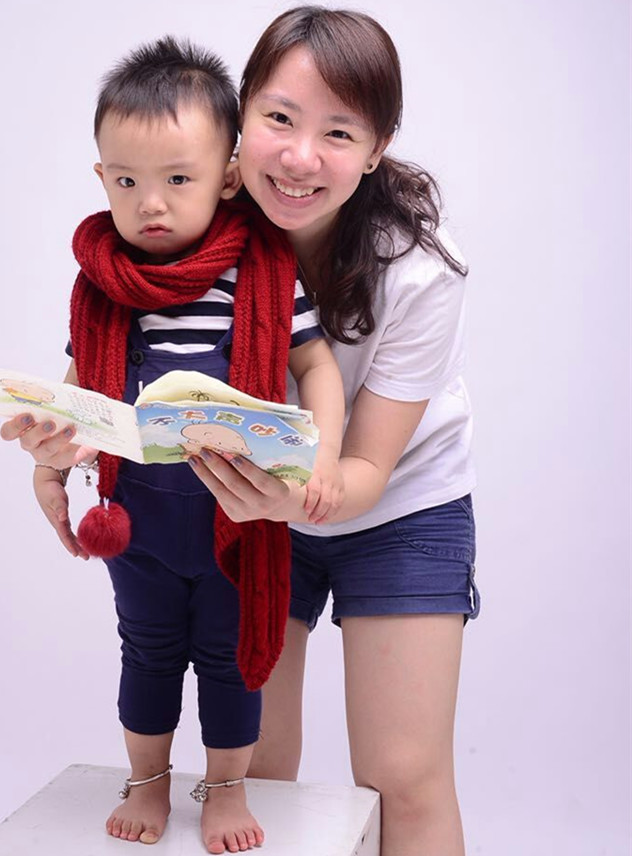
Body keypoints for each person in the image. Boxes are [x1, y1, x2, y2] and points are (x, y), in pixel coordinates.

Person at [0, 36, 345, 854]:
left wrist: (325, 457)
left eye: (177, 180)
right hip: (141, 518)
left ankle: (224, 787)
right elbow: (82, 397)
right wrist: (53, 449)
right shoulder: (104, 285)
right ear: (101, 178)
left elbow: (316, 364)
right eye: (126, 181)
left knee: (231, 661)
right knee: (147, 652)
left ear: (228, 177)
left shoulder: (262, 273)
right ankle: (147, 778)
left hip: (238, 515)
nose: (149, 204)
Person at [188, 8, 478, 856]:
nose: (299, 157)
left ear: (377, 147)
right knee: (249, 767)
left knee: (403, 777)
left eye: (339, 133)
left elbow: (367, 467)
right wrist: (68, 447)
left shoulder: (419, 268)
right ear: (242, 109)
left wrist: (291, 498)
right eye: (279, 118)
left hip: (397, 506)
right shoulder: (197, 213)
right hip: (249, 498)